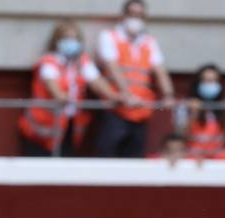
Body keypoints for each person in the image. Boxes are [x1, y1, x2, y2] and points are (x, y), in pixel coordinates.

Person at [18, 20, 120, 157]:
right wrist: (61, 96)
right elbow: (51, 83)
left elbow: (96, 81)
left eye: (74, 38)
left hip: (67, 127)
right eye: (66, 38)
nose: (71, 42)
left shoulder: (81, 62)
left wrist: (115, 97)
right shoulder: (49, 61)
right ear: (56, 40)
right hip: (41, 130)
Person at [92, 0, 176, 157]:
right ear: (123, 16)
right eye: (132, 14)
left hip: (140, 109)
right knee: (108, 154)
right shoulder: (110, 36)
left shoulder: (148, 41)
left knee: (134, 157)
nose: (135, 19)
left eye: (139, 15)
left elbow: (160, 70)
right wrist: (127, 94)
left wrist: (168, 94)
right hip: (115, 108)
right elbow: (112, 66)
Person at [177, 63, 225, 157]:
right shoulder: (186, 106)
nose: (210, 85)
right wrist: (193, 115)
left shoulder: (224, 107)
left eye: (214, 81)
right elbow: (180, 138)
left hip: (217, 160)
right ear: (198, 84)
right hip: (192, 159)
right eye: (206, 81)